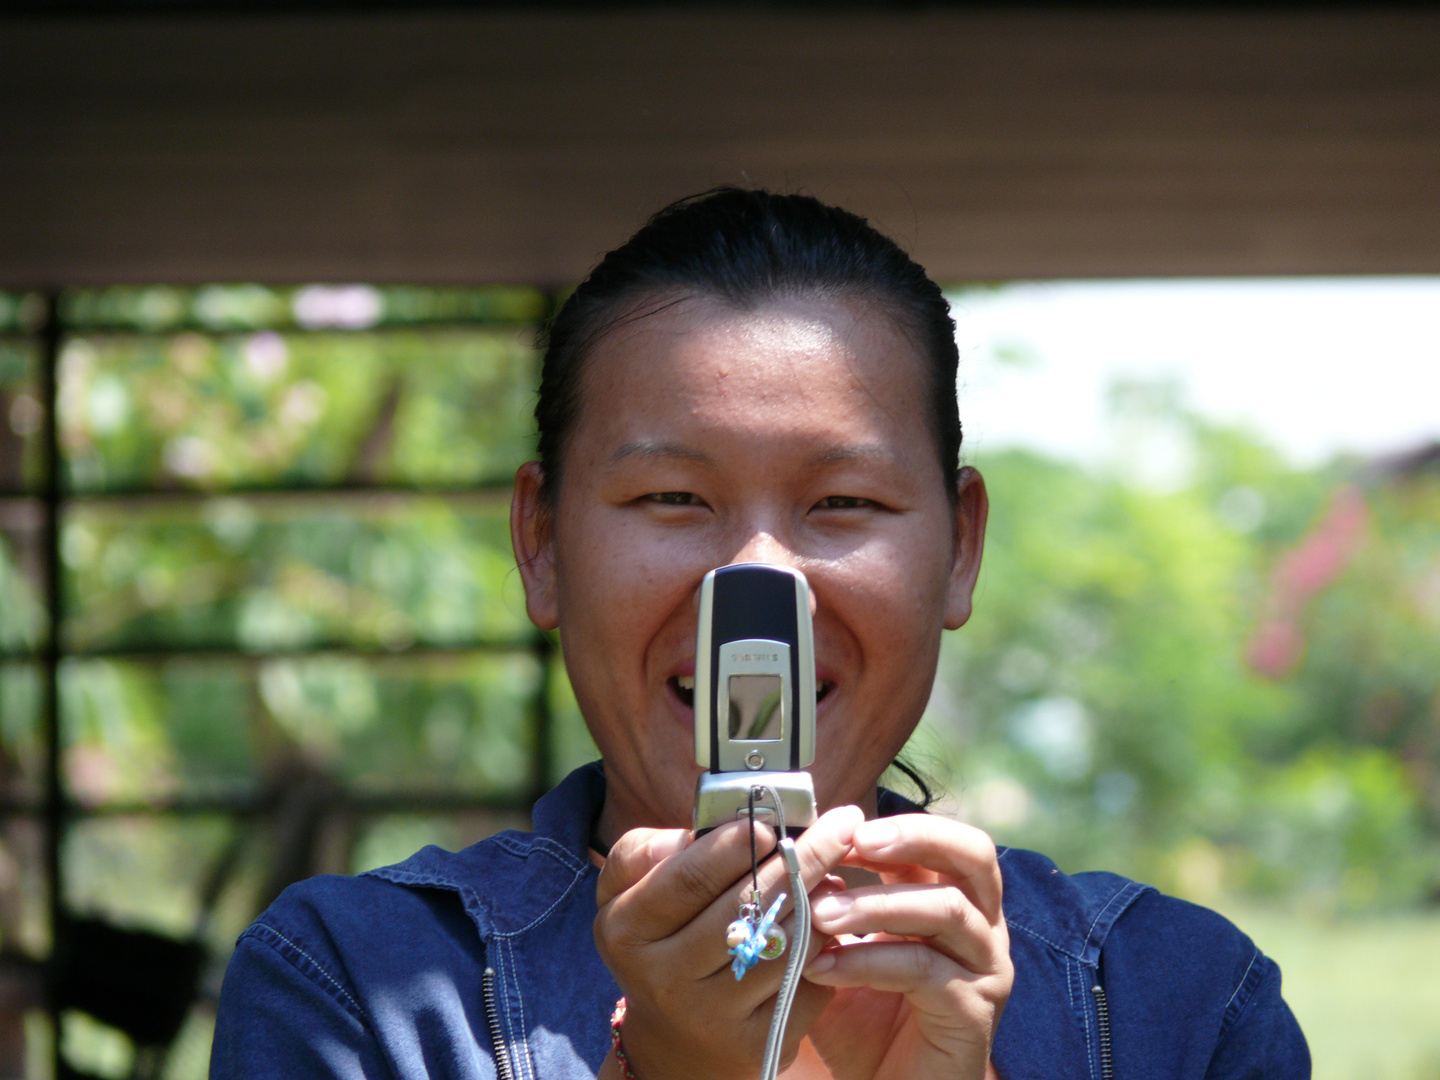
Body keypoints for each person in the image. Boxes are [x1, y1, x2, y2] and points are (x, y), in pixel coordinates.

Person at [210, 189, 1310, 1080]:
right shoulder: (358, 990)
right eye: (672, 502)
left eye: (844, 506)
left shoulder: (1181, 1007)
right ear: (541, 543)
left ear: (960, 549)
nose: (757, 585)